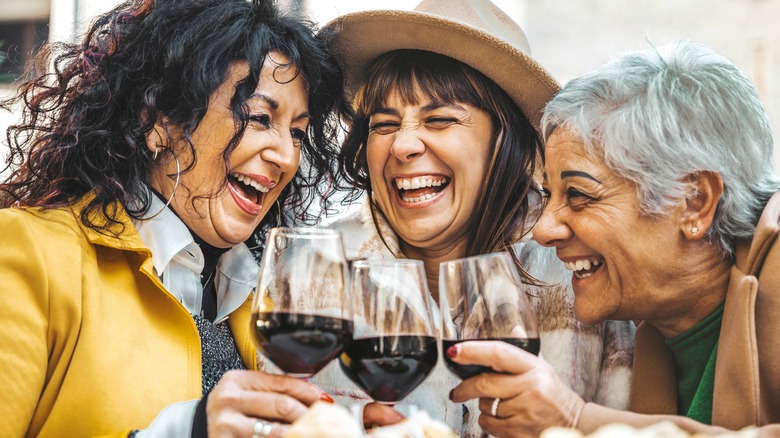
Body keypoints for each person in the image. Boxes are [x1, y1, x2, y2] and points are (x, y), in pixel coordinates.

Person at [0, 0, 349, 436]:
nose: (285, 156)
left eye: (297, 132)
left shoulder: (265, 299)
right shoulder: (27, 255)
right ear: (159, 122)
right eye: (260, 117)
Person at [310, 0, 635, 436]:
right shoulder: (317, 267)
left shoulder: (579, 265)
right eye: (383, 125)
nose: (402, 146)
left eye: (440, 119)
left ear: (506, 143)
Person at [448, 40, 780, 436]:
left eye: (579, 195)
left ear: (694, 202)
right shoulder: (656, 332)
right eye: (549, 193)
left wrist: (575, 420)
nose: (544, 230)